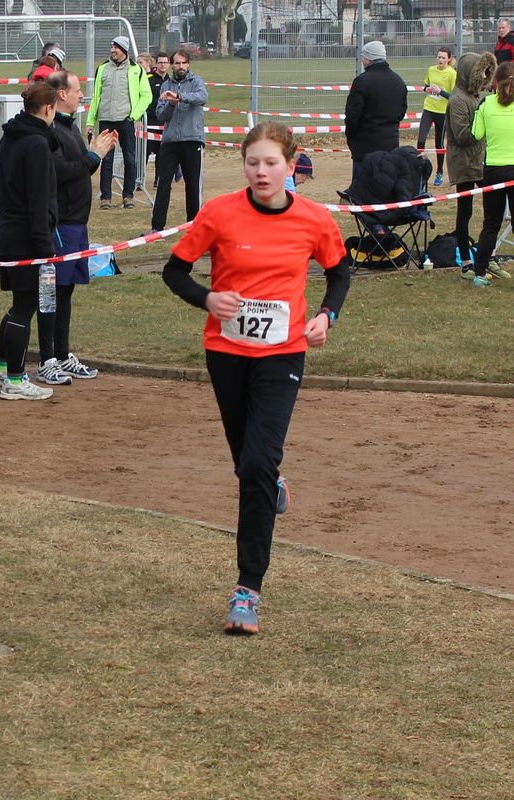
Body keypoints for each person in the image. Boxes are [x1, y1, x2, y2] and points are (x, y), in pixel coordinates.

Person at [162, 122, 350, 635]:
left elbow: (339, 272)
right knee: (248, 463)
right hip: (226, 352)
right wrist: (207, 298)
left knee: (258, 465)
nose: (261, 172)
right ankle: (269, 478)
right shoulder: (219, 213)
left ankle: (247, 590)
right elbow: (174, 271)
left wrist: (327, 316)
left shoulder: (314, 219)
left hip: (282, 354)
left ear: (291, 165)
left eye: (271, 163)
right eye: (252, 163)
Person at [34, 70, 117, 386]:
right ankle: (46, 359)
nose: (82, 95)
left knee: (66, 290)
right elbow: (59, 171)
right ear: (61, 94)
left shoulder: (70, 127)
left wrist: (95, 154)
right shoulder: (51, 131)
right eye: (77, 90)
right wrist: (93, 155)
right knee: (52, 292)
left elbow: (81, 169)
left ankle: (62, 353)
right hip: (61, 223)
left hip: (77, 222)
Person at [0, 82, 58, 401]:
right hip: (26, 233)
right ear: (49, 109)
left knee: (19, 304)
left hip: (9, 229)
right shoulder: (36, 144)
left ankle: (0, 365)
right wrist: (45, 248)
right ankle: (15, 379)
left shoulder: (10, 137)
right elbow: (38, 200)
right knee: (26, 306)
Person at [445, 52, 497, 280]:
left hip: (480, 160)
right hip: (464, 163)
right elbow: (462, 135)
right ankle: (466, 262)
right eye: (480, 73)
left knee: (492, 210)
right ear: (469, 73)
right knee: (465, 212)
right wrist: (485, 122)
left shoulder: (475, 96)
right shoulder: (458, 100)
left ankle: (488, 256)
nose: (484, 77)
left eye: (487, 73)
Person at [86, 36, 152, 210]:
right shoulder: (102, 69)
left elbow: (146, 96)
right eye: (111, 47)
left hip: (126, 120)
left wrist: (133, 116)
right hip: (106, 120)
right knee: (106, 160)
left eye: (115, 47)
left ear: (124, 49)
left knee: (130, 159)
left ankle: (128, 196)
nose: (112, 50)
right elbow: (96, 97)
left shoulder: (136, 70)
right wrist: (90, 121)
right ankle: (105, 197)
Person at [148, 49, 207, 233]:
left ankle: (194, 225)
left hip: (192, 139)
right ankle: (157, 227)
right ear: (172, 65)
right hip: (170, 141)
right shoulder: (166, 86)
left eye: (183, 63)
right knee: (163, 184)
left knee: (193, 184)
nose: (180, 66)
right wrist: (171, 104)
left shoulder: (196, 81)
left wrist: (180, 97)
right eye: (177, 63)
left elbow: (202, 97)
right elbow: (160, 115)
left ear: (188, 64)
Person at [471, 61, 514, 286]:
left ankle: (479, 272)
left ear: (495, 81)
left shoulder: (486, 104)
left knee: (491, 223)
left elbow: (476, 134)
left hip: (494, 170)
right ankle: (481, 270)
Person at [344, 40, 407, 184]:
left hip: (364, 146)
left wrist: (351, 137)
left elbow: (352, 115)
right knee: (385, 188)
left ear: (368, 59)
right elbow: (401, 112)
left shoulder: (362, 81)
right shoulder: (398, 81)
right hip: (390, 144)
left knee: (362, 189)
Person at [416, 48, 457, 187]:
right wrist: (427, 89)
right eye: (439, 57)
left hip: (442, 112)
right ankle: (420, 170)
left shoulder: (452, 73)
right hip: (429, 108)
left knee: (439, 144)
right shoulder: (431, 69)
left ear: (449, 59)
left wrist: (441, 92)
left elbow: (453, 96)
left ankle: (439, 172)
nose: (440, 60)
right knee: (421, 140)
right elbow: (426, 86)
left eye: (443, 58)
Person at [137, 51, 168, 188]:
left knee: (162, 153)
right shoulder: (148, 79)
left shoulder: (170, 80)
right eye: (160, 62)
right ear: (156, 63)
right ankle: (138, 180)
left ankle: (159, 180)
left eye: (165, 62)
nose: (162, 65)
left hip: (164, 122)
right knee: (144, 152)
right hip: (150, 121)